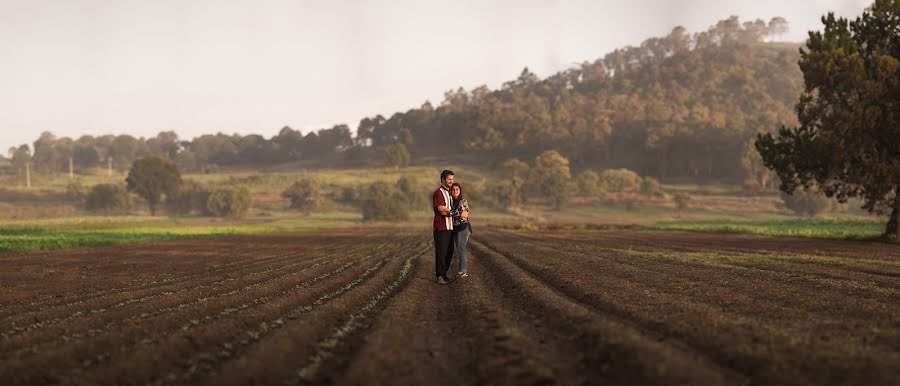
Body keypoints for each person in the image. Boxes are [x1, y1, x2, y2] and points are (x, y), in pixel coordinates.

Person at [432, 169, 455, 284]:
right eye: (449, 179)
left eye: (452, 179)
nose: (451, 181)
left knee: (449, 252)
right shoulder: (438, 192)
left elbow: (449, 209)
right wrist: (451, 212)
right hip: (441, 227)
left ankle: (444, 274)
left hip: (450, 227)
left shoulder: (450, 193)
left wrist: (449, 211)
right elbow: (441, 210)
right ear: (443, 179)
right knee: (441, 252)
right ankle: (439, 276)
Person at [450, 182, 471, 277]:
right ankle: (461, 269)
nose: (455, 191)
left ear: (460, 191)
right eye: (453, 190)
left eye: (457, 189)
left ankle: (463, 270)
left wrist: (448, 212)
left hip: (463, 227)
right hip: (456, 228)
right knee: (459, 249)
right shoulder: (451, 201)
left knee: (461, 249)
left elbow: (461, 214)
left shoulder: (463, 201)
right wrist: (455, 212)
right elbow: (458, 213)